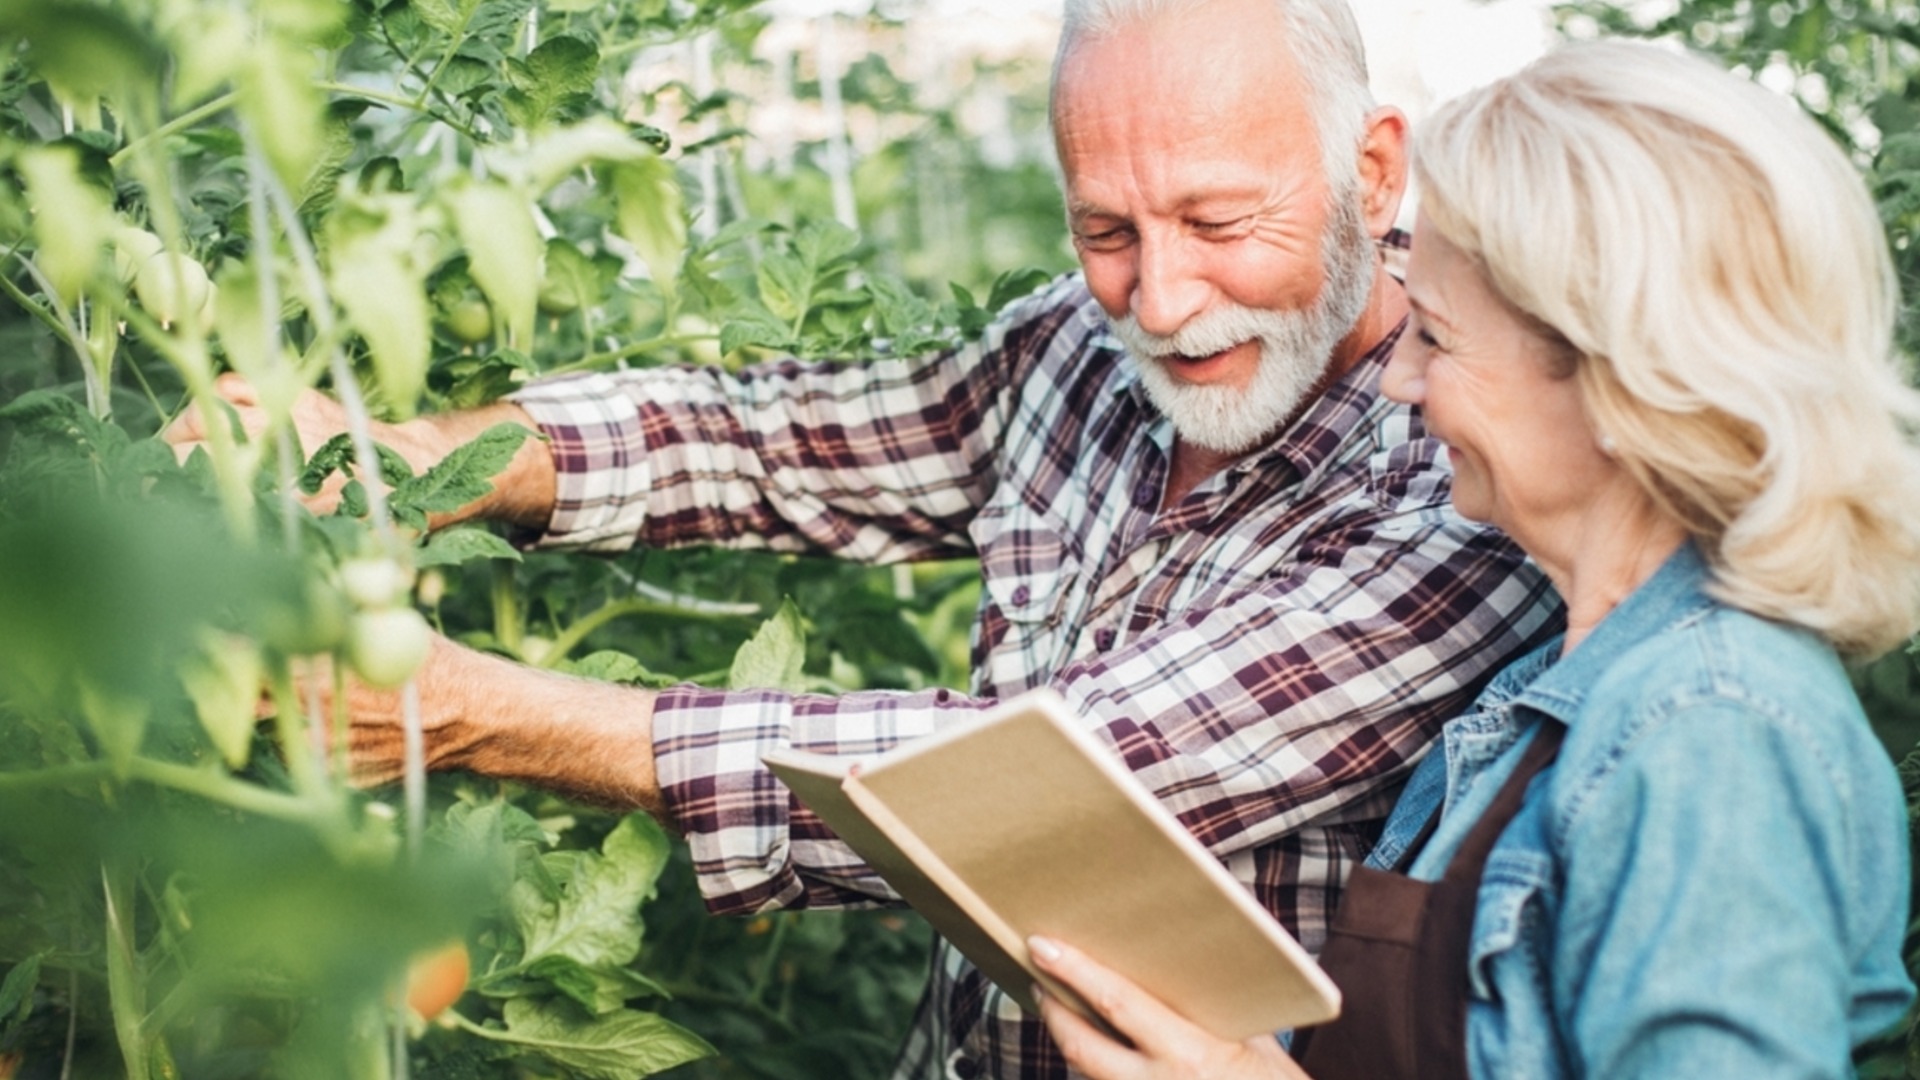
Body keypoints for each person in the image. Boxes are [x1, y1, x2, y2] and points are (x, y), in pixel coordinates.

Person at [168, 1, 1562, 1076]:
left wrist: (479, 718)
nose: (1160, 295)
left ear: (1375, 170)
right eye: (1104, 229)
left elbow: (1050, 794)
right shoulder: (1077, 352)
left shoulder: (1473, 472)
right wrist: (420, 459)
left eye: (1217, 220)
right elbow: (773, 441)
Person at [1025, 40, 1920, 1080]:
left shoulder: (1711, 734)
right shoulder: (1551, 690)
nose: (1399, 381)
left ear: (1622, 381)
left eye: (1438, 339)